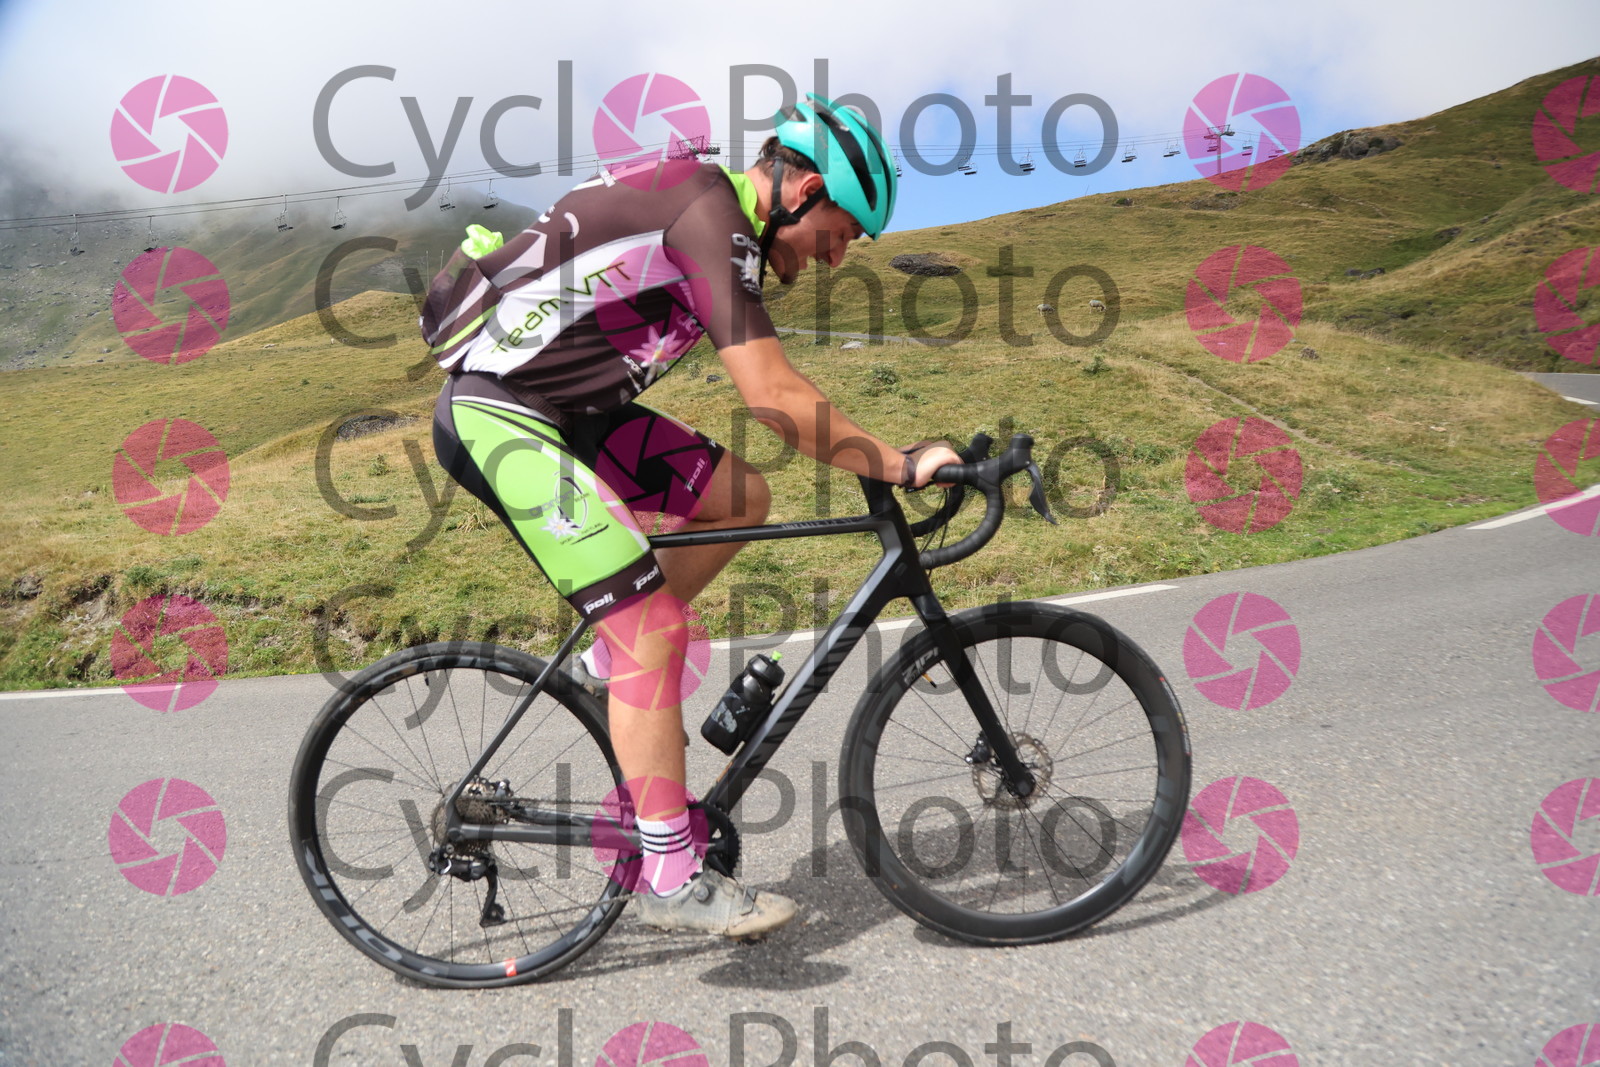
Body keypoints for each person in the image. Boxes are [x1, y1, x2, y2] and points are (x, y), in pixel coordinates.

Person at [424, 94, 961, 939]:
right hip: (501, 414)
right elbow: (774, 397)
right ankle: (671, 877)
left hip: (571, 415)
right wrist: (897, 463)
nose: (834, 257)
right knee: (653, 629)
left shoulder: (718, 217)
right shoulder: (709, 213)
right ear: (805, 191)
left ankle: (613, 664)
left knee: (738, 498)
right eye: (840, 234)